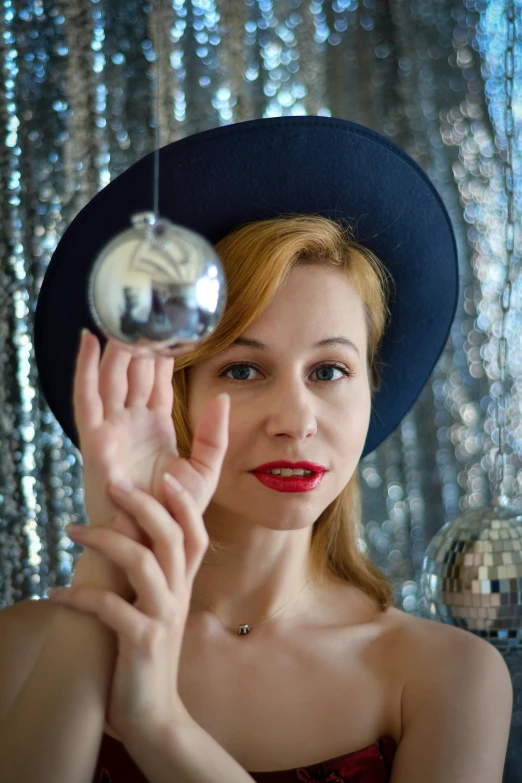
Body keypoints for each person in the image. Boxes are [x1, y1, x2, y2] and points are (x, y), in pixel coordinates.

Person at [0, 117, 513, 783]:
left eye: (328, 371)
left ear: (370, 391)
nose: (296, 421)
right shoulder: (24, 648)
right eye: (242, 370)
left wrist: (158, 723)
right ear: (170, 393)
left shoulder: (448, 676)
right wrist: (115, 544)